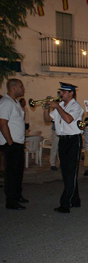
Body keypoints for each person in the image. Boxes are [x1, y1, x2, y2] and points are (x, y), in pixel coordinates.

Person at [43, 82, 84, 213]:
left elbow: (68, 119)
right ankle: (75, 200)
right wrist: (46, 107)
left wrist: (57, 107)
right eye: (61, 92)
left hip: (73, 140)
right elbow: (47, 119)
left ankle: (65, 204)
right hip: (63, 140)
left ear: (71, 93)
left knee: (71, 171)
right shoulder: (60, 106)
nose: (61, 94)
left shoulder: (76, 106)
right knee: (66, 171)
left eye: (64, 92)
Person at [0, 79, 28, 210]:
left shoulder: (15, 102)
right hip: (11, 143)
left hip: (18, 143)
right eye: (21, 87)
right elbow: (2, 123)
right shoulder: (5, 103)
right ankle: (11, 200)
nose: (23, 89)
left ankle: (17, 195)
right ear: (14, 87)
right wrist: (10, 142)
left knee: (18, 171)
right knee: (11, 173)